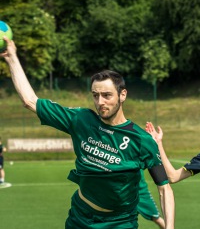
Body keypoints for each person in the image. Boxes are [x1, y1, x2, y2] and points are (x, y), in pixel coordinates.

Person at [0, 37, 175, 229]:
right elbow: (30, 101)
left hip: (120, 223)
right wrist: (12, 58)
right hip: (80, 218)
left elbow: (164, 188)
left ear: (122, 95)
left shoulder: (141, 140)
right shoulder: (81, 119)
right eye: (95, 95)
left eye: (107, 95)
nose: (100, 102)